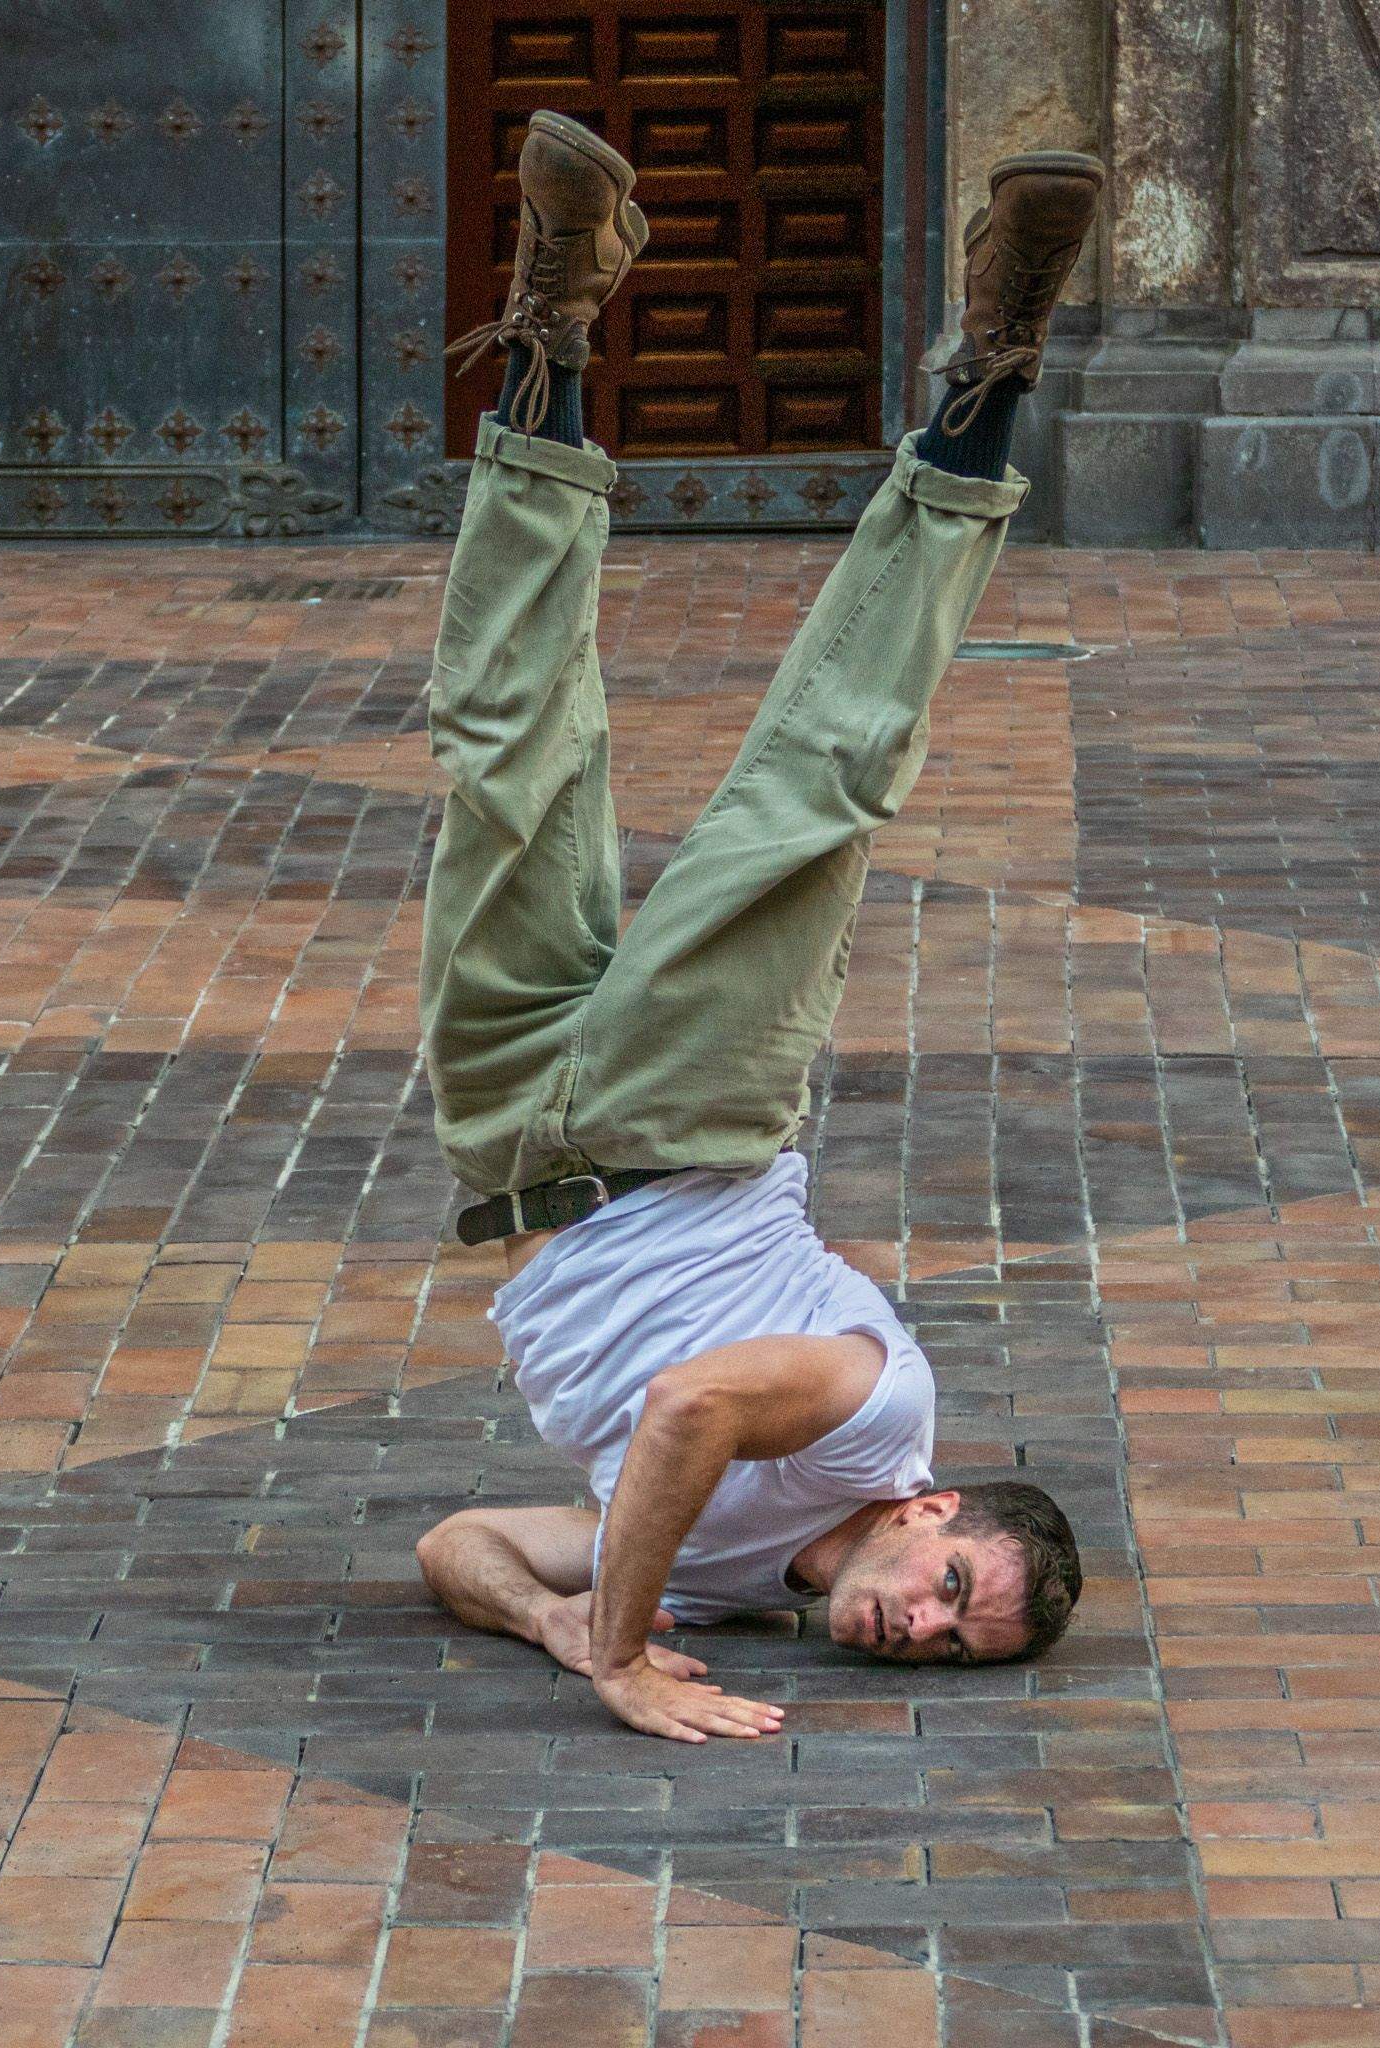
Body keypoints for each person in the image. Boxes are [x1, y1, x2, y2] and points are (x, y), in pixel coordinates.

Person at [414, 113, 1102, 1744]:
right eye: (957, 1595)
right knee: (817, 788)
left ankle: (558, 328)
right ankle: (987, 383)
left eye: (949, 1651)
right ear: (933, 1508)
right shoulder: (879, 1412)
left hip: (508, 1127)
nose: (923, 1632)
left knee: (506, 745)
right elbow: (687, 1400)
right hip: (691, 1115)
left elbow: (457, 1544)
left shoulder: (712, 1584)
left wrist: (565, 1612)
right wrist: (618, 1654)